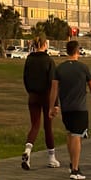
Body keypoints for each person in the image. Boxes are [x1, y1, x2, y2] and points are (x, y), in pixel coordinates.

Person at [49, 39, 91, 180]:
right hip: (80, 108)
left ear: (67, 51)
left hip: (66, 108)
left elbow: (53, 89)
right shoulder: (84, 68)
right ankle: (75, 170)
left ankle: (72, 163)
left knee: (70, 134)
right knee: (77, 136)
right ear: (78, 51)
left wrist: (52, 106)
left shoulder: (59, 69)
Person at [21, 32, 60, 170]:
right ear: (45, 45)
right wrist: (55, 104)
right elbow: (53, 83)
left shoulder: (29, 60)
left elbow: (25, 78)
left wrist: (30, 92)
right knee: (47, 127)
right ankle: (51, 157)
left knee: (35, 125)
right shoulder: (49, 60)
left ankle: (27, 151)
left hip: (32, 95)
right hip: (46, 96)